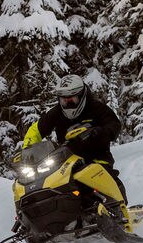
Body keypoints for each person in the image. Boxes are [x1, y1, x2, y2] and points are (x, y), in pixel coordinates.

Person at [22, 74, 128, 203]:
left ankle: (119, 210)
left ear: (81, 95)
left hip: (97, 157)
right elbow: (36, 130)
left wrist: (100, 132)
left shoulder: (97, 108)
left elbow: (114, 124)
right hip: (66, 161)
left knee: (105, 176)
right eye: (64, 100)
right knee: (48, 185)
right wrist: (27, 151)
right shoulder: (56, 113)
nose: (67, 103)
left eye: (72, 100)